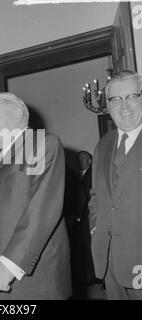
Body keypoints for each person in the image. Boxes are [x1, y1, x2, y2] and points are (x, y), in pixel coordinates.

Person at [0, 92, 72, 300]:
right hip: (0, 277)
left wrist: (9, 264)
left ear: (19, 115)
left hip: (28, 280)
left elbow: (42, 209)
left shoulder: (41, 144)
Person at [89, 70, 142, 299]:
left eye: (133, 96)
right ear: (107, 106)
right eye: (116, 99)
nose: (125, 106)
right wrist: (96, 228)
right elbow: (96, 197)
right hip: (109, 260)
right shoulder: (104, 144)